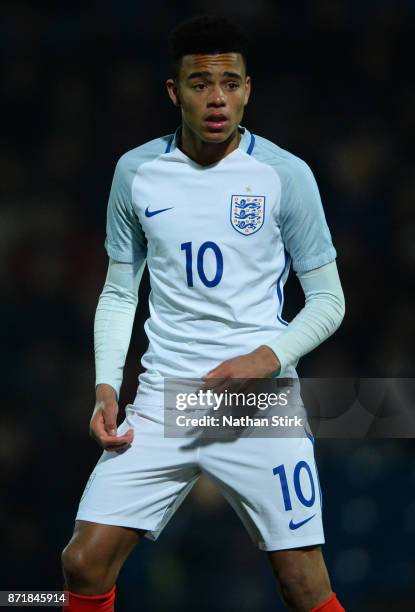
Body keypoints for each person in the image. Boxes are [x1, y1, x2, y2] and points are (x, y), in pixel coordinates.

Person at [61, 15, 346, 612]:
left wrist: (263, 359)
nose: (216, 98)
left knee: (303, 584)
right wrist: (107, 384)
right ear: (175, 92)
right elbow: (119, 292)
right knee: (83, 563)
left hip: (257, 400)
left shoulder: (285, 175)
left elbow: (329, 300)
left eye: (230, 82)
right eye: (199, 83)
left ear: (247, 89)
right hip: (166, 397)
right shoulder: (136, 173)